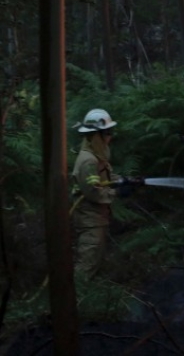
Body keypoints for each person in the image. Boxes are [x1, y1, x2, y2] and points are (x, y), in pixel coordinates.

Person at [71, 108, 134, 277]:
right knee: (87, 264)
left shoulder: (95, 156)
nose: (110, 136)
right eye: (107, 132)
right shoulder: (88, 161)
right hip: (90, 220)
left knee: (95, 260)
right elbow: (93, 192)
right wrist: (117, 193)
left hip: (96, 218)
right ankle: (75, 295)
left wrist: (125, 180)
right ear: (96, 135)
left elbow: (105, 177)